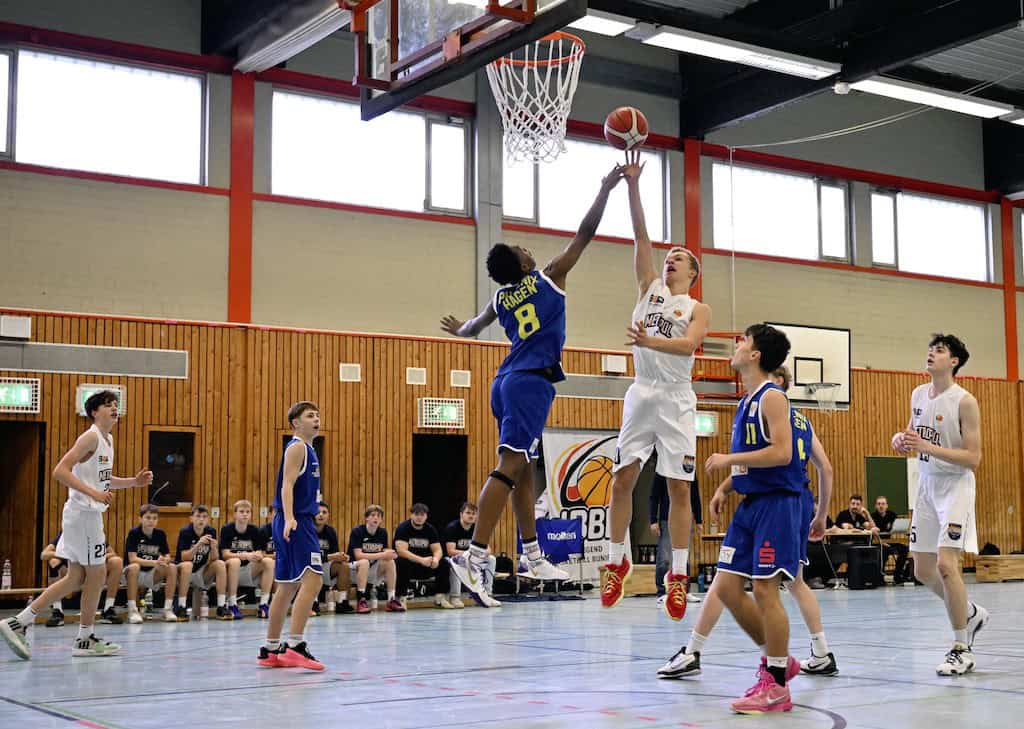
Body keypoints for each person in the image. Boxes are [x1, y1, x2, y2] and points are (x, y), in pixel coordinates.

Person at [442, 165, 625, 606]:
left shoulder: (501, 297)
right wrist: (604, 189)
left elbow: (473, 326)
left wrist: (459, 331)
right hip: (529, 383)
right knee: (509, 468)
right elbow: (585, 231)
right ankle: (475, 552)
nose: (530, 249)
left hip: (504, 381)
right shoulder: (548, 277)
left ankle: (531, 553)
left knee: (523, 467)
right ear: (525, 264)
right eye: (525, 249)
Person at [657, 364, 839, 681]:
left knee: (770, 586)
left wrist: (822, 515)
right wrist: (726, 487)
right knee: (753, 581)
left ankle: (776, 664)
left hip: (780, 502)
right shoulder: (796, 419)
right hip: (781, 501)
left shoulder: (769, 404)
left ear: (778, 381)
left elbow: (800, 461)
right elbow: (822, 468)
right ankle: (817, 652)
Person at [603, 153, 711, 621]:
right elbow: (640, 235)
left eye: (679, 260)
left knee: (679, 489)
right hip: (642, 391)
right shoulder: (648, 288)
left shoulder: (696, 307)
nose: (669, 261)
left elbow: (688, 346)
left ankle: (679, 576)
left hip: (676, 399)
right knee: (622, 478)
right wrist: (632, 185)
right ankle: (615, 562)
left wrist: (650, 339)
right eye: (668, 258)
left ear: (692, 273)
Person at [1, 390, 152, 659]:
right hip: (83, 514)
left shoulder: (108, 439)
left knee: (76, 577)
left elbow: (102, 480)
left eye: (116, 405)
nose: (114, 409)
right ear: (94, 412)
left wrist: (133, 482)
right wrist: (93, 494)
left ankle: (19, 622)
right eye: (108, 405)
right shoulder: (90, 436)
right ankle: (83, 638)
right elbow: (60, 470)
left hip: (87, 515)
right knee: (95, 574)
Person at [701, 324, 804, 713]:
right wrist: (726, 486)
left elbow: (781, 454)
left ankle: (776, 685)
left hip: (777, 503)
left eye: (743, 340)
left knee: (764, 591)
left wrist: (729, 460)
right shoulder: (747, 400)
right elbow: (753, 455)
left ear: (756, 354)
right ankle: (779, 660)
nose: (736, 345)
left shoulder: (772, 398)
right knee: (726, 588)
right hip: (750, 505)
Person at [892, 333, 988, 676]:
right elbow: (913, 433)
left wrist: (928, 448)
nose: (931, 354)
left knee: (947, 565)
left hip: (955, 487)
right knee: (921, 570)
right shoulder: (918, 394)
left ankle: (961, 647)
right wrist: (901, 440)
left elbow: (973, 457)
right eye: (930, 348)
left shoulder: (964, 401)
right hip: (927, 485)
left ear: (954, 361)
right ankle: (970, 613)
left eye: (940, 350)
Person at [258, 401, 328, 670]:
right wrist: (290, 518)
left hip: (290, 520)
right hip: (297, 521)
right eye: (310, 415)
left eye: (318, 415)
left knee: (287, 586)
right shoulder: (298, 447)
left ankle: (271, 648)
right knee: (314, 580)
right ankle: (296, 645)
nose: (316, 419)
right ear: (296, 423)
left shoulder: (307, 449)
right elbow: (287, 484)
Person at [124, 504, 190, 623]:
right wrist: (154, 562)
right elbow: (132, 559)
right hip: (133, 574)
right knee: (134, 567)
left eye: (154, 518)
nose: (151, 521)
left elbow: (167, 555)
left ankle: (168, 609)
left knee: (172, 567)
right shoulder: (134, 533)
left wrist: (165, 560)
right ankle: (132, 610)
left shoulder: (160, 534)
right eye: (148, 518)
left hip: (151, 574)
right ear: (140, 519)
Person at [40, 535, 123, 627]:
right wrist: (65, 554)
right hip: (73, 572)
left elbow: (112, 553)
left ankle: (108, 609)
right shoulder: (66, 533)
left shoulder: (94, 532)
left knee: (117, 561)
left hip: (93, 571)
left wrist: (94, 556)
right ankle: (57, 611)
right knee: (53, 561)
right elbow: (44, 554)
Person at [649, 471, 702, 606]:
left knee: (684, 556)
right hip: (666, 519)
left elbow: (695, 495)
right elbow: (654, 496)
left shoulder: (690, 469)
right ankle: (662, 592)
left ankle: (684, 590)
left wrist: (699, 519)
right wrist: (653, 520)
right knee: (665, 557)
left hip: (685, 519)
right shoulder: (662, 470)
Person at [220, 499, 274, 619]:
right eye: (241, 511)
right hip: (231, 571)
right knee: (235, 561)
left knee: (268, 562)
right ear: (235, 514)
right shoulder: (227, 529)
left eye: (247, 512)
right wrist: (244, 555)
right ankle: (232, 603)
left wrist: (258, 555)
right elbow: (225, 554)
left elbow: (260, 551)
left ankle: (264, 604)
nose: (245, 514)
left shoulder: (254, 530)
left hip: (249, 570)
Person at [175, 504, 230, 620]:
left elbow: (215, 558)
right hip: (183, 572)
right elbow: (184, 557)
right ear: (191, 518)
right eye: (198, 516)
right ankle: (181, 606)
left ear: (208, 519)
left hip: (201, 572)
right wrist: (198, 544)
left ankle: (221, 606)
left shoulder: (211, 531)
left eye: (204, 517)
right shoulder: (185, 532)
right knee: (188, 565)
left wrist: (214, 548)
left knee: (220, 564)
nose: (201, 519)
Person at [394, 504, 450, 607]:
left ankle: (440, 598)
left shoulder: (430, 529)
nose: (419, 517)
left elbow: (438, 549)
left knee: (444, 563)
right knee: (401, 561)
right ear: (411, 515)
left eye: (422, 515)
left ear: (426, 516)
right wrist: (421, 560)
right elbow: (401, 551)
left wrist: (436, 559)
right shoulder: (403, 528)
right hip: (410, 564)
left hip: (425, 565)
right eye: (417, 514)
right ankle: (401, 598)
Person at [348, 504, 401, 613]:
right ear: (367, 518)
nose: (376, 518)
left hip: (371, 571)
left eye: (378, 516)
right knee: (364, 562)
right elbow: (358, 555)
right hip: (354, 569)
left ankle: (391, 599)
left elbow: (385, 552)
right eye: (373, 515)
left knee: (390, 562)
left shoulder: (383, 533)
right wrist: (382, 555)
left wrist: (392, 554)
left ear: (381, 519)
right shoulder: (357, 531)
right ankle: (361, 600)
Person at [444, 502, 496, 607]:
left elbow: (488, 549)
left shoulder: (478, 529)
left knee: (491, 559)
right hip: (454, 558)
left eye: (474, 513)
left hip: (472, 558)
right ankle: (455, 597)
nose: (471, 516)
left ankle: (487, 594)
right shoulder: (452, 528)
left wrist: (481, 554)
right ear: (461, 514)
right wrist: (470, 553)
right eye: (468, 513)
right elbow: (450, 551)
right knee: (455, 562)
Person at [314, 502, 353, 614]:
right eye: (318, 512)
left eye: (324, 512)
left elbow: (335, 554)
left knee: (344, 567)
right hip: (308, 565)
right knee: (312, 565)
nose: (321, 515)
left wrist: (341, 557)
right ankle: (313, 603)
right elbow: (305, 556)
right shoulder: (307, 530)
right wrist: (331, 557)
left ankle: (342, 602)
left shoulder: (331, 531)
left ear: (328, 515)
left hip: (325, 564)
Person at [871, 495, 909, 581]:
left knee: (904, 549)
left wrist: (899, 529)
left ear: (886, 506)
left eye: (883, 504)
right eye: (879, 504)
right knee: (883, 551)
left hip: (890, 542)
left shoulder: (892, 515)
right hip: (877, 543)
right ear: (876, 506)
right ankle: (879, 577)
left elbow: (897, 527)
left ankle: (897, 575)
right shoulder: (872, 517)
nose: (881, 506)